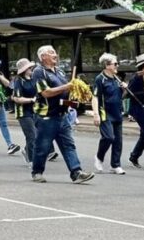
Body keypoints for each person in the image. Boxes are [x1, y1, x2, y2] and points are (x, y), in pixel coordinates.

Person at [30, 45, 95, 184]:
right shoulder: (39, 72)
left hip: (62, 114)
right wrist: (67, 86)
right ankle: (37, 172)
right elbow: (46, 92)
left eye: (55, 52)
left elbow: (66, 92)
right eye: (52, 52)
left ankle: (76, 172)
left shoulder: (59, 72)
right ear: (43, 57)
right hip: (46, 116)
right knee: (43, 147)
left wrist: (75, 92)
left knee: (68, 145)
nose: (55, 55)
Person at [92, 53, 127, 175]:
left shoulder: (117, 79)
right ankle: (99, 157)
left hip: (117, 112)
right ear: (107, 65)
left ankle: (115, 165)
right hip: (105, 113)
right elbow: (95, 97)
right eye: (115, 63)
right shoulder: (100, 79)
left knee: (118, 140)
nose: (117, 65)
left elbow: (119, 97)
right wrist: (95, 114)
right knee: (108, 137)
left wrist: (124, 89)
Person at [10, 59, 40, 165]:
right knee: (32, 135)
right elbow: (17, 98)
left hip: (34, 111)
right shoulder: (19, 81)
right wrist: (31, 100)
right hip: (23, 113)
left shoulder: (33, 79)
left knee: (37, 134)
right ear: (24, 70)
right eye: (29, 68)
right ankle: (31, 160)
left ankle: (27, 151)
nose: (31, 69)